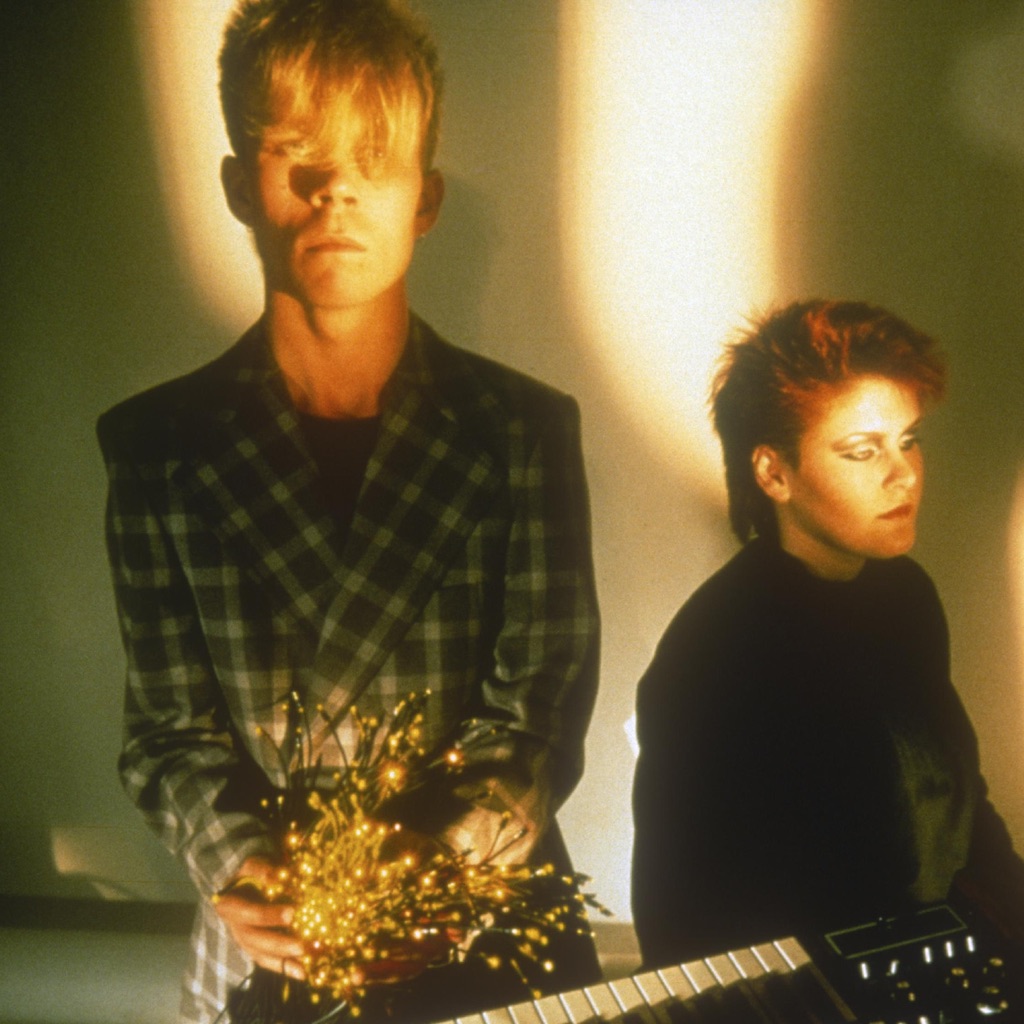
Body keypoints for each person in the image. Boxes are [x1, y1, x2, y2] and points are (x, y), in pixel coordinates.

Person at [97, 2, 600, 1021]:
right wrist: (242, 864)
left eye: (374, 160)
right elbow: (167, 730)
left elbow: (539, 706)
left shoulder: (521, 431)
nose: (336, 191)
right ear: (239, 185)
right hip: (277, 930)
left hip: (488, 918)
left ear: (425, 199)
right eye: (298, 157)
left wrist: (438, 862)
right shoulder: (157, 446)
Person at [631, 299, 1024, 968]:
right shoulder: (713, 654)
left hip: (933, 958)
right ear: (773, 473)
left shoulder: (905, 594)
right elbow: (684, 923)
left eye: (908, 440)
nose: (903, 473)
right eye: (862, 451)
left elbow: (959, 805)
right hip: (804, 992)